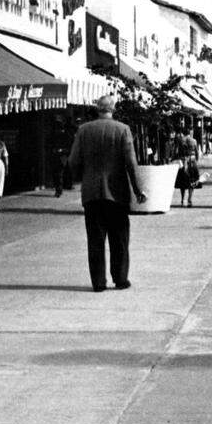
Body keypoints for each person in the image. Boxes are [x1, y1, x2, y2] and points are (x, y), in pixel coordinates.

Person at [66, 95, 147, 292]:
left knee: (95, 239)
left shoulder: (83, 130)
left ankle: (98, 282)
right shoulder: (122, 130)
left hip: (92, 193)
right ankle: (120, 279)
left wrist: (83, 176)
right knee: (119, 238)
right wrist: (138, 189)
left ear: (97, 108)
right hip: (117, 194)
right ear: (113, 108)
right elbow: (130, 162)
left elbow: (73, 161)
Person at [173, 129, 200, 207]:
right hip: (192, 160)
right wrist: (196, 161)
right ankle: (190, 199)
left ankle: (182, 199)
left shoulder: (181, 141)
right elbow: (197, 152)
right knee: (192, 181)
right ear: (190, 132)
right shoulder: (194, 140)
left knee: (182, 182)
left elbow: (176, 152)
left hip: (183, 160)